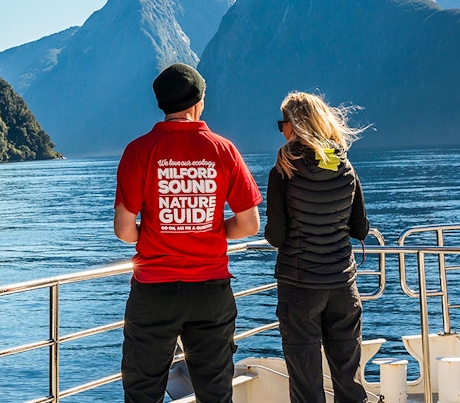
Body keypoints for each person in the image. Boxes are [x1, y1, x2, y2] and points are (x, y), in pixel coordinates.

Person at [114, 62, 263, 403]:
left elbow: (124, 230)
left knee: (142, 392)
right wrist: (208, 230)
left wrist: (157, 232)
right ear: (198, 102)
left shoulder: (138, 151)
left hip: (153, 291)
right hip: (211, 290)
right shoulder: (223, 150)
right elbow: (249, 224)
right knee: (215, 392)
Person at [264, 91, 370, 403]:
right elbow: (360, 228)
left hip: (300, 287)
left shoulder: (282, 172)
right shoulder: (346, 167)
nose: (281, 129)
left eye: (283, 123)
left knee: (306, 385)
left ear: (294, 126)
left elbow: (276, 236)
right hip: (342, 285)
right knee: (349, 381)